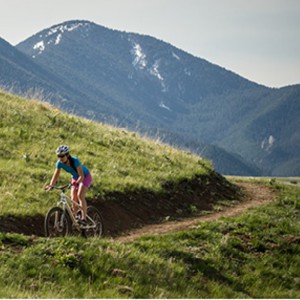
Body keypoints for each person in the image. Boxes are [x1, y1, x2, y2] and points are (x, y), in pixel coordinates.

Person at [45, 145, 92, 225]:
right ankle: (75, 217)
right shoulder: (59, 163)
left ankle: (83, 218)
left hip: (85, 177)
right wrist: (51, 185)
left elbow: (81, 176)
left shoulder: (75, 161)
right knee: (73, 198)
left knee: (80, 195)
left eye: (62, 156)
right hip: (75, 178)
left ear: (67, 155)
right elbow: (56, 175)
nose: (60, 158)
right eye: (58, 156)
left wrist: (76, 183)